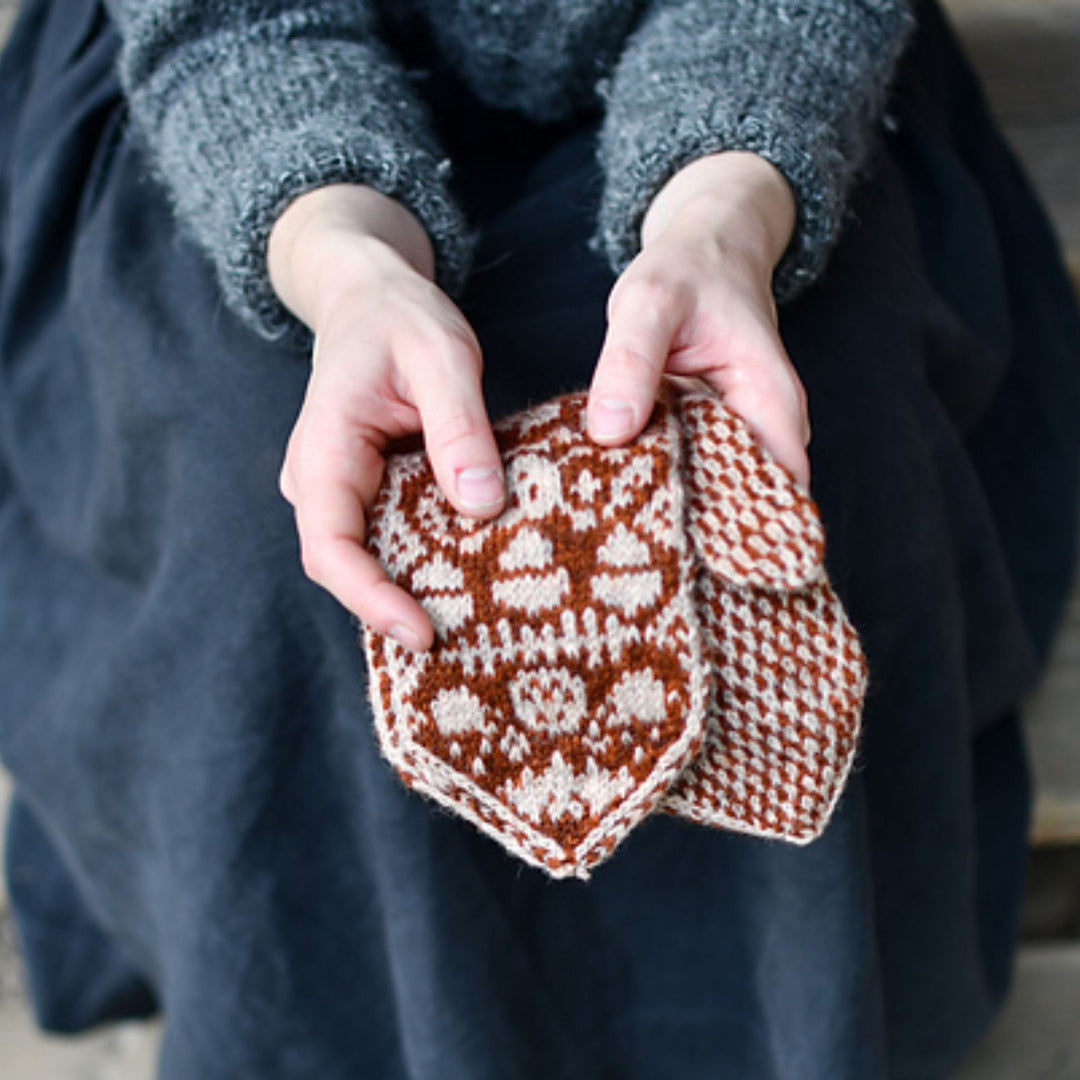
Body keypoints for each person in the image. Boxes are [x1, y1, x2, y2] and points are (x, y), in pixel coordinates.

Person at [0, 0, 1077, 1076]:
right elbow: (233, 26)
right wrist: (334, 252)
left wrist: (726, 207)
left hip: (764, 59)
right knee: (280, 518)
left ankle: (794, 1036)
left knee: (793, 462)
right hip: (241, 89)